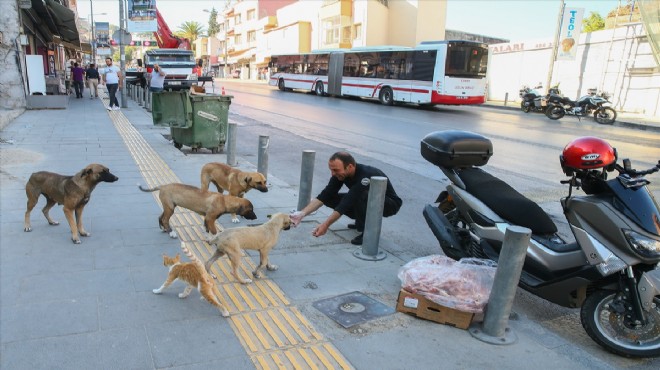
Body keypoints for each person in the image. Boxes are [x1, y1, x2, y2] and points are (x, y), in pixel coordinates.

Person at [290, 151, 402, 245]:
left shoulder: (365, 175)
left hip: (389, 204)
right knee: (330, 198)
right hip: (366, 199)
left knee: (361, 195)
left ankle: (367, 233)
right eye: (331, 170)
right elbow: (324, 195)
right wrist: (301, 214)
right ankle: (359, 220)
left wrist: (325, 225)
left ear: (350, 167)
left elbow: (347, 202)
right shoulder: (339, 175)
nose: (333, 174)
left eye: (336, 170)